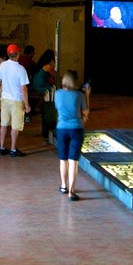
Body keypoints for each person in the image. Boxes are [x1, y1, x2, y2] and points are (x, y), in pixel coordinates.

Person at [54, 70, 89, 201]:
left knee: (63, 159)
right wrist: (88, 96)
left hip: (61, 129)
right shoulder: (79, 95)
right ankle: (72, 192)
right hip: (76, 128)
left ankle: (64, 186)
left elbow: (58, 108)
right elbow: (86, 113)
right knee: (73, 161)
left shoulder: (57, 94)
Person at [0, 44, 31, 156]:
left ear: (8, 54)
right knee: (15, 126)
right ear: (18, 54)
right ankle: (13, 150)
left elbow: (1, 79)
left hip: (5, 99)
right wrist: (27, 104)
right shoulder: (21, 69)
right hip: (16, 100)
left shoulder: (2, 65)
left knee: (3, 125)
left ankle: (2, 148)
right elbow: (24, 89)